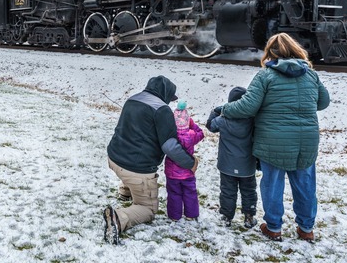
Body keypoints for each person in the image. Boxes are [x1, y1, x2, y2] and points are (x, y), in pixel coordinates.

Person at [220, 33, 330, 242]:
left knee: (272, 185)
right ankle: (306, 229)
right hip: (306, 141)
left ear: (270, 52)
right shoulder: (311, 75)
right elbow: (323, 103)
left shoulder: (266, 76)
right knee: (305, 185)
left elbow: (247, 106)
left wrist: (224, 109)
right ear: (296, 50)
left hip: (273, 141)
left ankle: (273, 227)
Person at [104, 76, 199, 245]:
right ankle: (118, 218)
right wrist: (190, 162)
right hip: (135, 169)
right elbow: (170, 146)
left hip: (113, 157)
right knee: (148, 209)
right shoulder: (162, 110)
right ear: (165, 94)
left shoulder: (132, 99)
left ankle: (126, 190)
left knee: (131, 157)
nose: (169, 102)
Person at [206, 86, 257, 229]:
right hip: (247, 165)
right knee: (248, 191)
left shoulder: (223, 120)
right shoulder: (251, 120)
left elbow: (210, 125)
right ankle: (249, 216)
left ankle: (227, 217)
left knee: (228, 191)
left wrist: (216, 111)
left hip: (227, 164)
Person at [164, 99, 204, 221]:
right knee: (190, 193)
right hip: (188, 171)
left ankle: (174, 216)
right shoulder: (191, 135)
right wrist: (191, 124)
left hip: (172, 172)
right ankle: (191, 215)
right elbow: (201, 133)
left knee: (173, 193)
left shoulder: (170, 134)